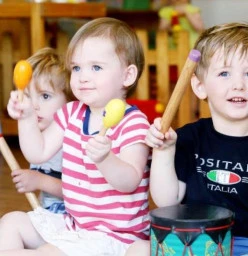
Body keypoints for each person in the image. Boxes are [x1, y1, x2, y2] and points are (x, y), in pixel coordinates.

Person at [2, 17, 150, 256]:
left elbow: (129, 181)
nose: (82, 76)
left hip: (114, 237)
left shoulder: (133, 122)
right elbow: (36, 153)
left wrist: (106, 159)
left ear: (127, 76)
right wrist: (26, 117)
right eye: (77, 68)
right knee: (12, 222)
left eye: (96, 67)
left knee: (49, 252)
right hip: (75, 225)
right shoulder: (71, 113)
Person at [143, 22, 248, 256]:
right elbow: (166, 201)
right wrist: (164, 151)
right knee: (137, 249)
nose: (239, 85)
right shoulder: (189, 138)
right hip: (194, 244)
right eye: (224, 73)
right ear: (200, 87)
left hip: (244, 244)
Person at [11, 47, 74, 214]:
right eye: (28, 96)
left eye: (45, 96)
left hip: (75, 220)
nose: (35, 106)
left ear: (70, 99)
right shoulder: (35, 137)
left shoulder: (72, 141)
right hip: (50, 213)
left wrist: (39, 181)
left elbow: (79, 193)